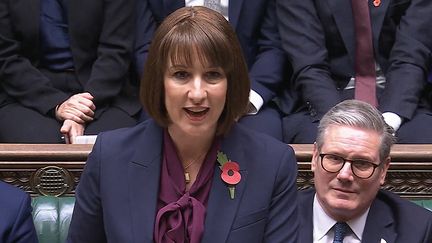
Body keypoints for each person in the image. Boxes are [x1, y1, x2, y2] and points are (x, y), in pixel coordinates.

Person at [67, 7, 299, 243]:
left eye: (212, 75)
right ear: (159, 82)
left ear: (231, 83)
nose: (197, 93)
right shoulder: (110, 156)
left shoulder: (273, 163)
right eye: (181, 75)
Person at [276, 0, 432, 143]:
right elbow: (309, 64)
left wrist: (388, 123)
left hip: (397, 95)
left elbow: (412, 56)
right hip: (329, 96)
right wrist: (340, 123)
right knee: (321, 145)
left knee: (422, 138)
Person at [134, 0, 289, 140]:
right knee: (146, 143)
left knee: (264, 148)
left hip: (249, 95)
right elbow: (146, 47)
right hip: (171, 95)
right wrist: (170, 87)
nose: (198, 94)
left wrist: (243, 99)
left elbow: (272, 48)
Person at [0, 0, 141, 143]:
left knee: (105, 146)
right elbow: (7, 57)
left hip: (103, 90)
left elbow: (115, 52)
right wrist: (56, 104)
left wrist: (81, 109)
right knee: (44, 147)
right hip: (29, 93)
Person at [298, 99, 432, 242]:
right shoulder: (277, 216)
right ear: (315, 158)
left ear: (383, 170)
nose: (345, 175)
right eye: (335, 158)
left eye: (362, 163)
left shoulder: (418, 229)